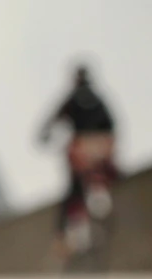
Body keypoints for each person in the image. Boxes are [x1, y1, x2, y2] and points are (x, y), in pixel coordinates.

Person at [39, 65, 119, 263]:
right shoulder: (99, 99)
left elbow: (52, 121)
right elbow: (112, 125)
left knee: (74, 187)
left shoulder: (71, 99)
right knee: (101, 171)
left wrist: (45, 135)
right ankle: (99, 192)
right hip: (102, 148)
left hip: (82, 149)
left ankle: (75, 225)